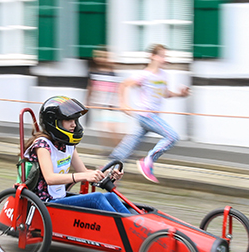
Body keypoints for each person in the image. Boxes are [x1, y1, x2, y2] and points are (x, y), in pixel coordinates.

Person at [24, 96, 129, 214]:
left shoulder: (68, 145)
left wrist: (108, 174)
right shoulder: (42, 145)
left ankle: (134, 224)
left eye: (75, 121)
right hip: (45, 203)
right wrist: (81, 176)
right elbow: (50, 178)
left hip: (60, 198)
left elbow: (83, 171)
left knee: (111, 197)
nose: (74, 125)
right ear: (55, 121)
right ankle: (126, 230)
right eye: (69, 120)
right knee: (96, 198)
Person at [109, 43, 190, 183]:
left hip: (150, 118)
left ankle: (106, 169)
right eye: (162, 56)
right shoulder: (144, 75)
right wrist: (123, 104)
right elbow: (124, 84)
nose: (164, 59)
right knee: (172, 137)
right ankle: (148, 161)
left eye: (166, 56)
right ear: (152, 56)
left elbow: (165, 93)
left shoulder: (164, 75)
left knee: (126, 148)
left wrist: (180, 94)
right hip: (146, 115)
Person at [85, 47, 124, 149]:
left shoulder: (112, 73)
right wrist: (88, 102)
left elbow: (118, 89)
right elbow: (91, 87)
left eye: (102, 56)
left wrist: (117, 102)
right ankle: (108, 150)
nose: (100, 59)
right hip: (99, 104)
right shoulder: (94, 73)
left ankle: (122, 149)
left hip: (110, 106)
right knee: (103, 129)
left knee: (112, 129)